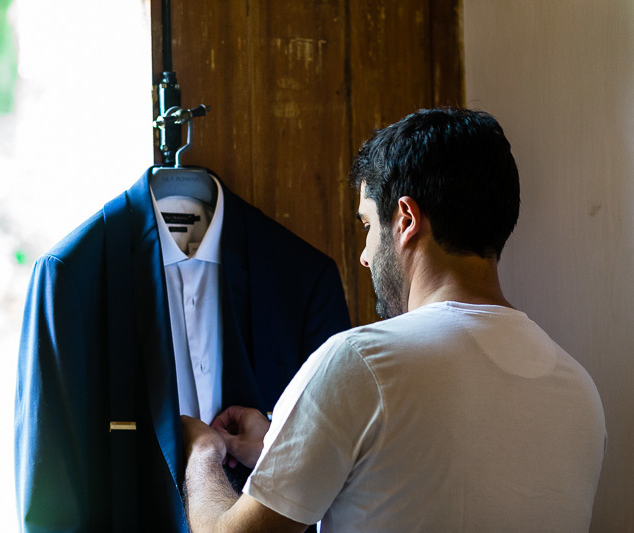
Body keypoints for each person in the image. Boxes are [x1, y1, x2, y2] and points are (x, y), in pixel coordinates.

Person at [181, 108, 607, 532]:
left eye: (368, 225)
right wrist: (284, 447)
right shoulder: (578, 390)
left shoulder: (360, 363)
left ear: (406, 219)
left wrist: (201, 453)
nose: (365, 256)